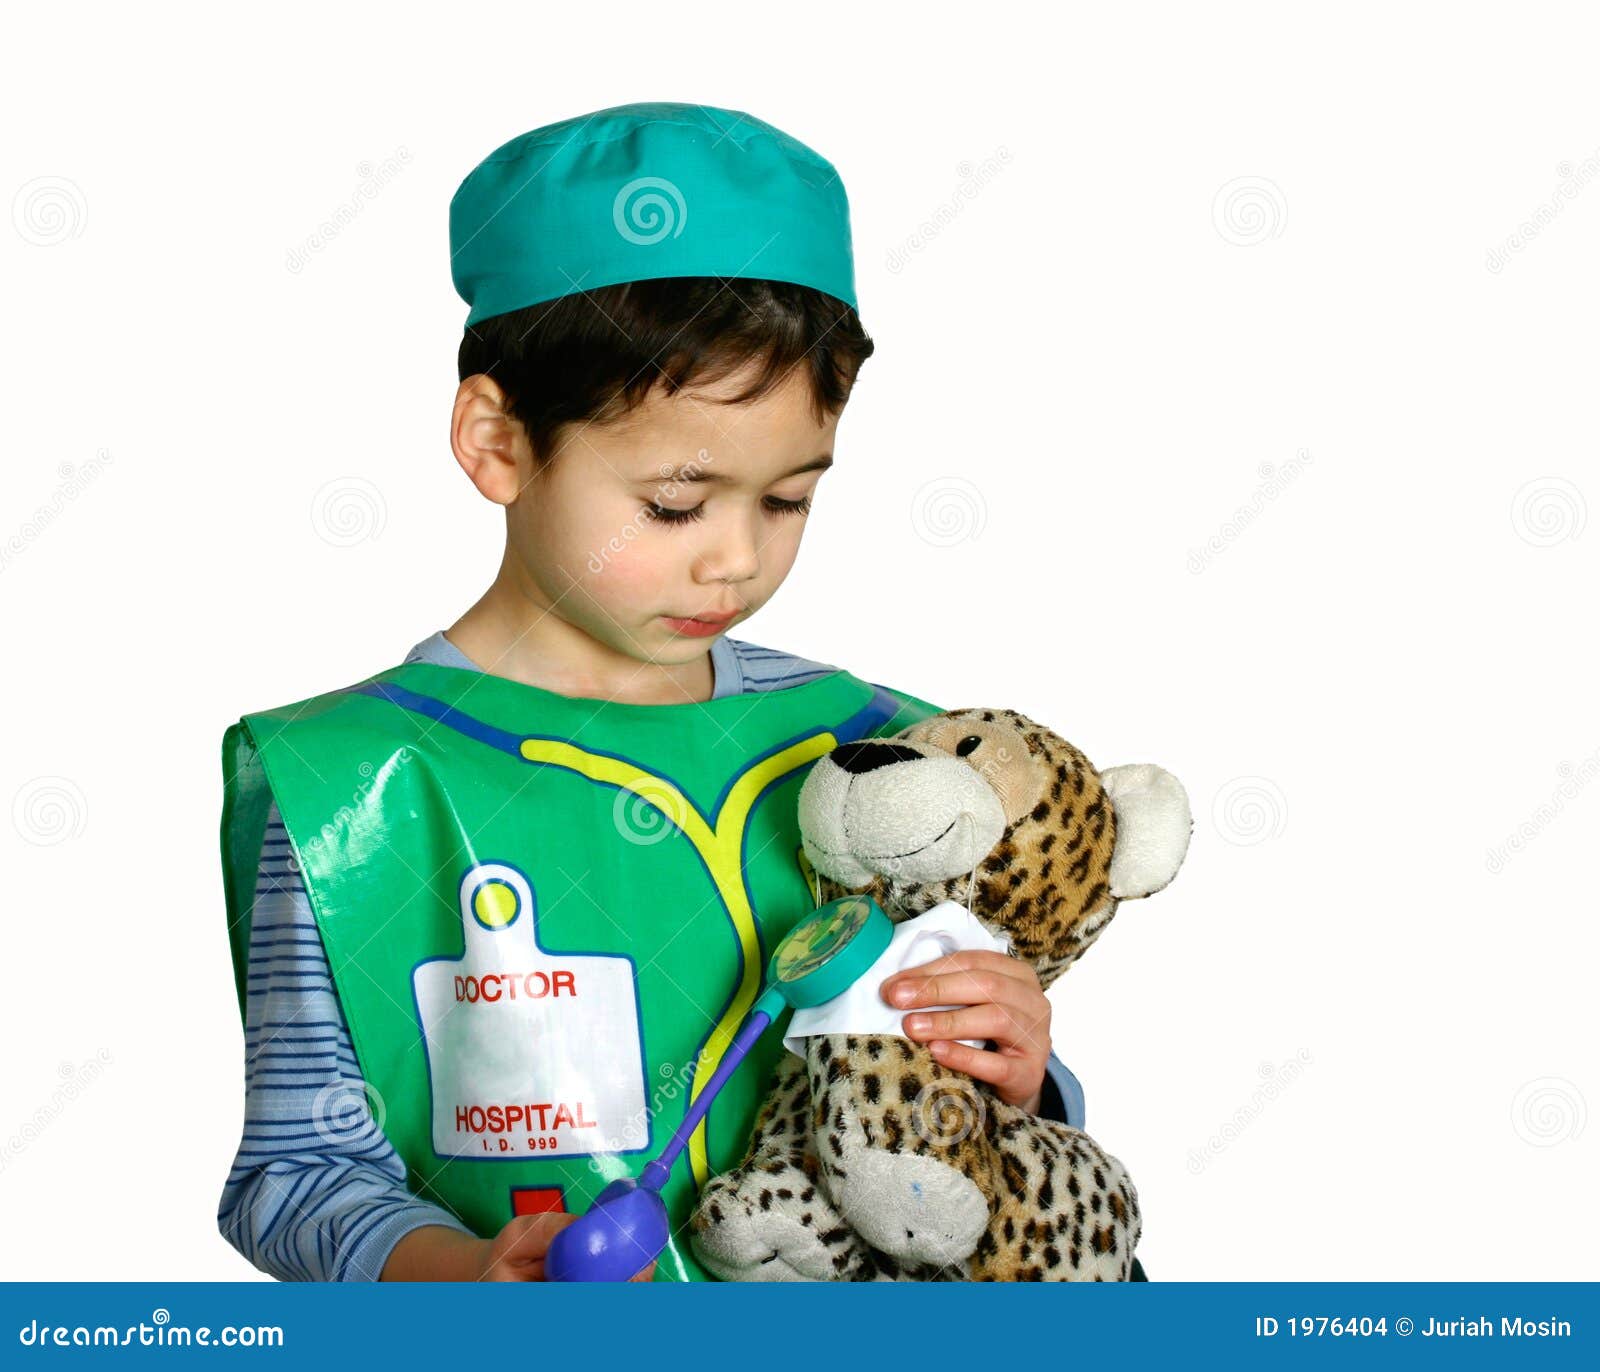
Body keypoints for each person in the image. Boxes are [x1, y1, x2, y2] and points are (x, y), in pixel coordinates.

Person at [217, 101, 1086, 1283]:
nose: (735, 556)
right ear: (497, 441)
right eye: (675, 503)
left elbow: (999, 1147)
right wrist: (463, 1278)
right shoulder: (353, 786)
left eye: (786, 499)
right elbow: (298, 1174)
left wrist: (1024, 1067)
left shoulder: (881, 758)